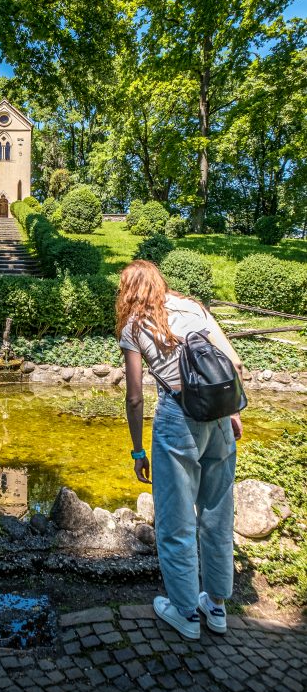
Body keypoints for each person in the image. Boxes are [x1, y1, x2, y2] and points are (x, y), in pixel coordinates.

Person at [116, 260, 243, 640]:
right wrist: (231, 411)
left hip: (177, 417)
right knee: (218, 513)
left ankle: (185, 611)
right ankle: (216, 607)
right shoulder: (194, 308)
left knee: (175, 521)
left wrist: (138, 450)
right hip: (219, 416)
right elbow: (233, 361)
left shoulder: (133, 327)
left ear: (127, 290)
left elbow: (135, 397)